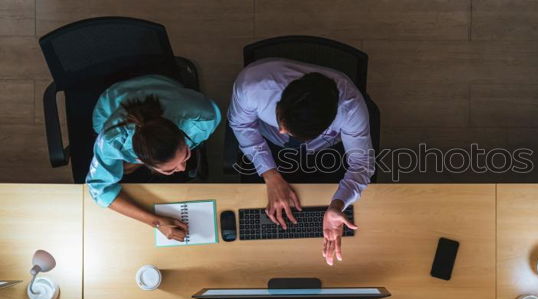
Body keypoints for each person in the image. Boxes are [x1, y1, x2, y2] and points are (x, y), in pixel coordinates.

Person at [228, 58, 375, 266]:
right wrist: (270, 174)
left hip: (324, 148)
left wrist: (338, 204)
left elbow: (362, 165)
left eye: (288, 129)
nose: (282, 130)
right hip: (266, 144)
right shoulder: (251, 86)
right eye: (281, 120)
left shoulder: (351, 109)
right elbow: (241, 125)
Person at [87, 75, 221, 240]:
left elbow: (212, 115)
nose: (183, 168)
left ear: (182, 135)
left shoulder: (202, 116)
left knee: (124, 171)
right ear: (141, 161)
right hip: (111, 103)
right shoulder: (111, 140)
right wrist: (156, 221)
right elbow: (98, 190)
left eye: (186, 154)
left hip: (164, 85)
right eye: (170, 169)